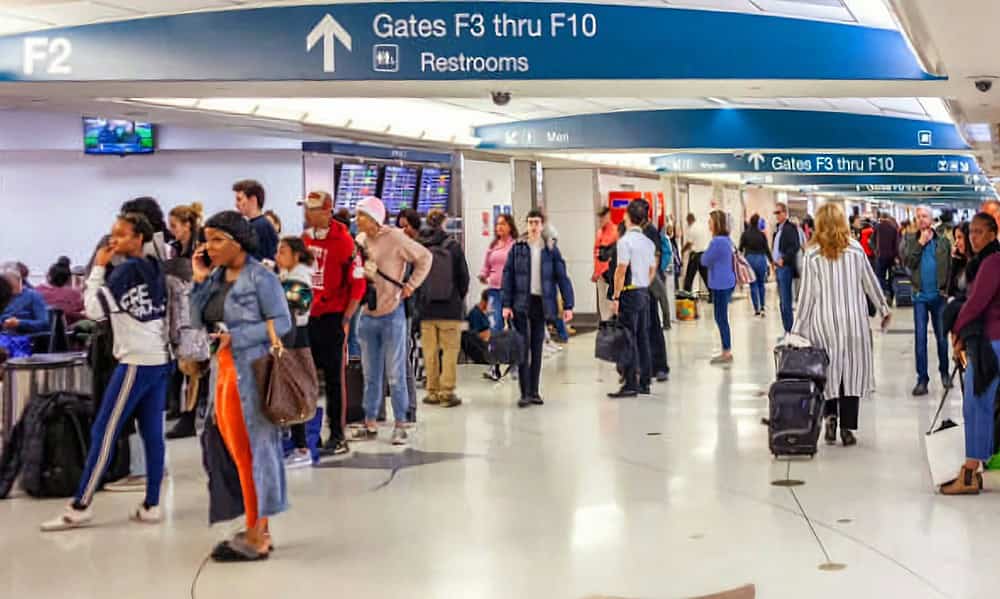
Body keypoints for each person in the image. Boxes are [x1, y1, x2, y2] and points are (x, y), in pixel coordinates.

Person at [41, 212, 171, 532]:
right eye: (112, 235)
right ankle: (152, 503)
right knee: (153, 433)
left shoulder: (124, 271)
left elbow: (94, 310)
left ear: (139, 238)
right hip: (158, 357)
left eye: (122, 235)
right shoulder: (155, 268)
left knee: (104, 430)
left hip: (134, 361)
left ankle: (80, 505)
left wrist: (98, 267)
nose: (114, 241)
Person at [190, 210, 292, 561]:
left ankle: (256, 536)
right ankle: (257, 525)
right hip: (224, 373)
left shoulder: (260, 277)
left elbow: (283, 321)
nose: (210, 246)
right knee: (236, 455)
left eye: (218, 239)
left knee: (254, 456)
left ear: (239, 241)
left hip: (252, 373)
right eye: (207, 239)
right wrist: (201, 279)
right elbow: (195, 318)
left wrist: (238, 335)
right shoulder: (217, 278)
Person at [792, 203, 891, 447]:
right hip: (854, 324)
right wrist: (884, 308)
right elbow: (870, 282)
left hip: (823, 323)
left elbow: (807, 297)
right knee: (851, 373)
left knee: (827, 373)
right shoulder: (856, 250)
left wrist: (796, 331)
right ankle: (847, 428)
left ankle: (830, 420)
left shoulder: (812, 255)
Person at [354, 196, 431, 444]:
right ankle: (370, 422)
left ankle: (401, 422)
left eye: (362, 216)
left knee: (396, 372)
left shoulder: (396, 238)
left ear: (374, 218)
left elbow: (425, 258)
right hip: (367, 314)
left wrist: (410, 286)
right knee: (370, 372)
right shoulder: (360, 241)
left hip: (392, 313)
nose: (357, 220)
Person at [301, 191, 365, 456]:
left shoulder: (345, 243)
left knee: (334, 379)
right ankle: (305, 432)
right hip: (307, 318)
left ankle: (337, 435)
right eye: (307, 208)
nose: (308, 213)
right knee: (305, 377)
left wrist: (346, 318)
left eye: (314, 209)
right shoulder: (304, 240)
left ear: (327, 212)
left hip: (333, 318)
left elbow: (358, 285)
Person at [943, 212, 1000, 494]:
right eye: (971, 232)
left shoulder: (992, 262)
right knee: (980, 405)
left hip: (991, 344)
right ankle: (975, 466)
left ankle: (970, 471)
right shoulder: (981, 263)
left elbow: (975, 303)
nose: (974, 237)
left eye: (980, 232)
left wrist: (956, 332)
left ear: (993, 234)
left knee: (977, 405)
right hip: (987, 341)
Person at [502, 209, 575, 408]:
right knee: (523, 348)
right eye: (530, 222)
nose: (533, 226)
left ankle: (534, 391)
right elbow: (508, 276)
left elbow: (562, 277)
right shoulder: (518, 247)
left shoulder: (550, 249)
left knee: (536, 347)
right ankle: (524, 392)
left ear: (542, 225)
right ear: (526, 225)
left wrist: (568, 304)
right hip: (521, 303)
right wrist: (506, 304)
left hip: (541, 303)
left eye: (537, 222)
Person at [417, 209, 470, 408]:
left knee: (429, 351)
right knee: (449, 350)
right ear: (444, 223)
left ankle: (432, 391)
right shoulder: (453, 246)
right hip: (450, 308)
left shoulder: (421, 247)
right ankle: (447, 392)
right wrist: (457, 297)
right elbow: (463, 278)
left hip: (426, 308)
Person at [607, 200, 657, 398]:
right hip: (644, 292)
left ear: (627, 217)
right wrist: (644, 282)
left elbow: (620, 270)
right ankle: (645, 382)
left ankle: (630, 383)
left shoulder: (625, 242)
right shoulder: (648, 242)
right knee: (643, 338)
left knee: (628, 338)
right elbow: (652, 268)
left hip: (629, 293)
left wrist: (616, 296)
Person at [903, 206, 953, 397]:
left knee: (942, 337)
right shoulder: (910, 239)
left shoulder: (943, 242)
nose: (921, 219)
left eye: (924, 216)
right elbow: (908, 262)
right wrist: (920, 244)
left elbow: (949, 267)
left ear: (931, 219)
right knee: (920, 339)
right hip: (920, 297)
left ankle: (945, 372)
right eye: (918, 217)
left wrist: (946, 291)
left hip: (939, 297)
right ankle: (922, 379)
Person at [276, 236, 315, 469]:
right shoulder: (288, 276)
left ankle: (302, 448)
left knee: (295, 391)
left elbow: (292, 304)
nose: (278, 255)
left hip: (296, 338)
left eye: (283, 251)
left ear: (296, 255)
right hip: (289, 337)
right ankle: (293, 441)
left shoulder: (299, 277)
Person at [700, 210, 737, 365]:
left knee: (721, 318)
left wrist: (705, 254)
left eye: (710, 221)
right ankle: (726, 350)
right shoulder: (727, 240)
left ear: (716, 223)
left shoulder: (717, 242)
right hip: (726, 281)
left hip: (720, 283)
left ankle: (727, 352)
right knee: (721, 317)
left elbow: (704, 260)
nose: (708, 224)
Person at [0, 263, 49, 358]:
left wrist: (19, 323)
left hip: (25, 338)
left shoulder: (33, 296)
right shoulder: (3, 296)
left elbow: (44, 323)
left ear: (19, 281)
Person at [481, 213, 518, 333]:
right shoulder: (493, 246)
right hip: (494, 291)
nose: (499, 227)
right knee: (495, 323)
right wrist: (483, 275)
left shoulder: (515, 245)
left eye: (503, 224)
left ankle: (517, 350)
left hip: (512, 291)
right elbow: (486, 266)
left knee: (514, 323)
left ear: (510, 226)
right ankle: (496, 350)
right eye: (497, 224)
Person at [772, 202, 801, 338]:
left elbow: (795, 246)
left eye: (778, 213)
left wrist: (784, 259)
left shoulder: (790, 228)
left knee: (786, 301)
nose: (777, 216)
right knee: (782, 301)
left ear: (785, 213)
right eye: (775, 213)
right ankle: (786, 330)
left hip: (785, 268)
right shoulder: (779, 229)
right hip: (778, 268)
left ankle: (790, 331)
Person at [233, 179, 278, 263]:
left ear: (253, 200)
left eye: (239, 199)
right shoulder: (259, 224)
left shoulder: (259, 226)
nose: (236, 204)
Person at [739, 213, 771, 317]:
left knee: (753, 284)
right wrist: (771, 261)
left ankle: (756, 309)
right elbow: (766, 249)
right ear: (758, 223)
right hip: (761, 259)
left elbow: (740, 248)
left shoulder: (745, 234)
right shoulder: (762, 235)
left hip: (750, 259)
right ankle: (762, 307)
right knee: (761, 284)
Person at [36, 257, 84, 325]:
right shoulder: (74, 294)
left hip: (42, 330)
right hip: (68, 330)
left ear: (49, 276)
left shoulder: (37, 291)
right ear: (68, 279)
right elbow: (80, 312)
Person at [592, 207, 619, 322]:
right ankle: (605, 324)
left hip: (609, 274)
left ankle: (612, 325)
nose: (601, 220)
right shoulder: (599, 232)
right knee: (602, 302)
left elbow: (612, 256)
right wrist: (596, 271)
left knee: (609, 301)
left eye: (603, 217)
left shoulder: (615, 232)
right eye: (599, 218)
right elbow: (597, 253)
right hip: (600, 275)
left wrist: (602, 271)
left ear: (608, 216)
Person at [872, 212, 900, 305]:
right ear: (888, 218)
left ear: (881, 218)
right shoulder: (894, 227)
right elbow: (896, 244)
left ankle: (885, 290)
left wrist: (876, 250)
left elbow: (872, 241)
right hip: (891, 257)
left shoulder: (877, 227)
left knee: (880, 276)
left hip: (881, 256)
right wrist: (897, 256)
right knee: (892, 276)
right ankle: (891, 296)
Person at [462, 290, 492, 364]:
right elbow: (477, 335)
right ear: (484, 301)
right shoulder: (475, 314)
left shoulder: (483, 314)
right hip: (478, 347)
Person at [682, 213, 710, 294]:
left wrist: (682, 251)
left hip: (695, 255)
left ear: (689, 220)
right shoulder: (702, 226)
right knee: (706, 276)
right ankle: (712, 295)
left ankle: (686, 295)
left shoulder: (692, 228)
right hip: (704, 254)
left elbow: (689, 243)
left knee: (689, 277)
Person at [948, 221, 971, 300]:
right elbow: (950, 290)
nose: (956, 242)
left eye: (960, 237)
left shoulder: (979, 263)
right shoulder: (961, 261)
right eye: (955, 238)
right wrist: (955, 259)